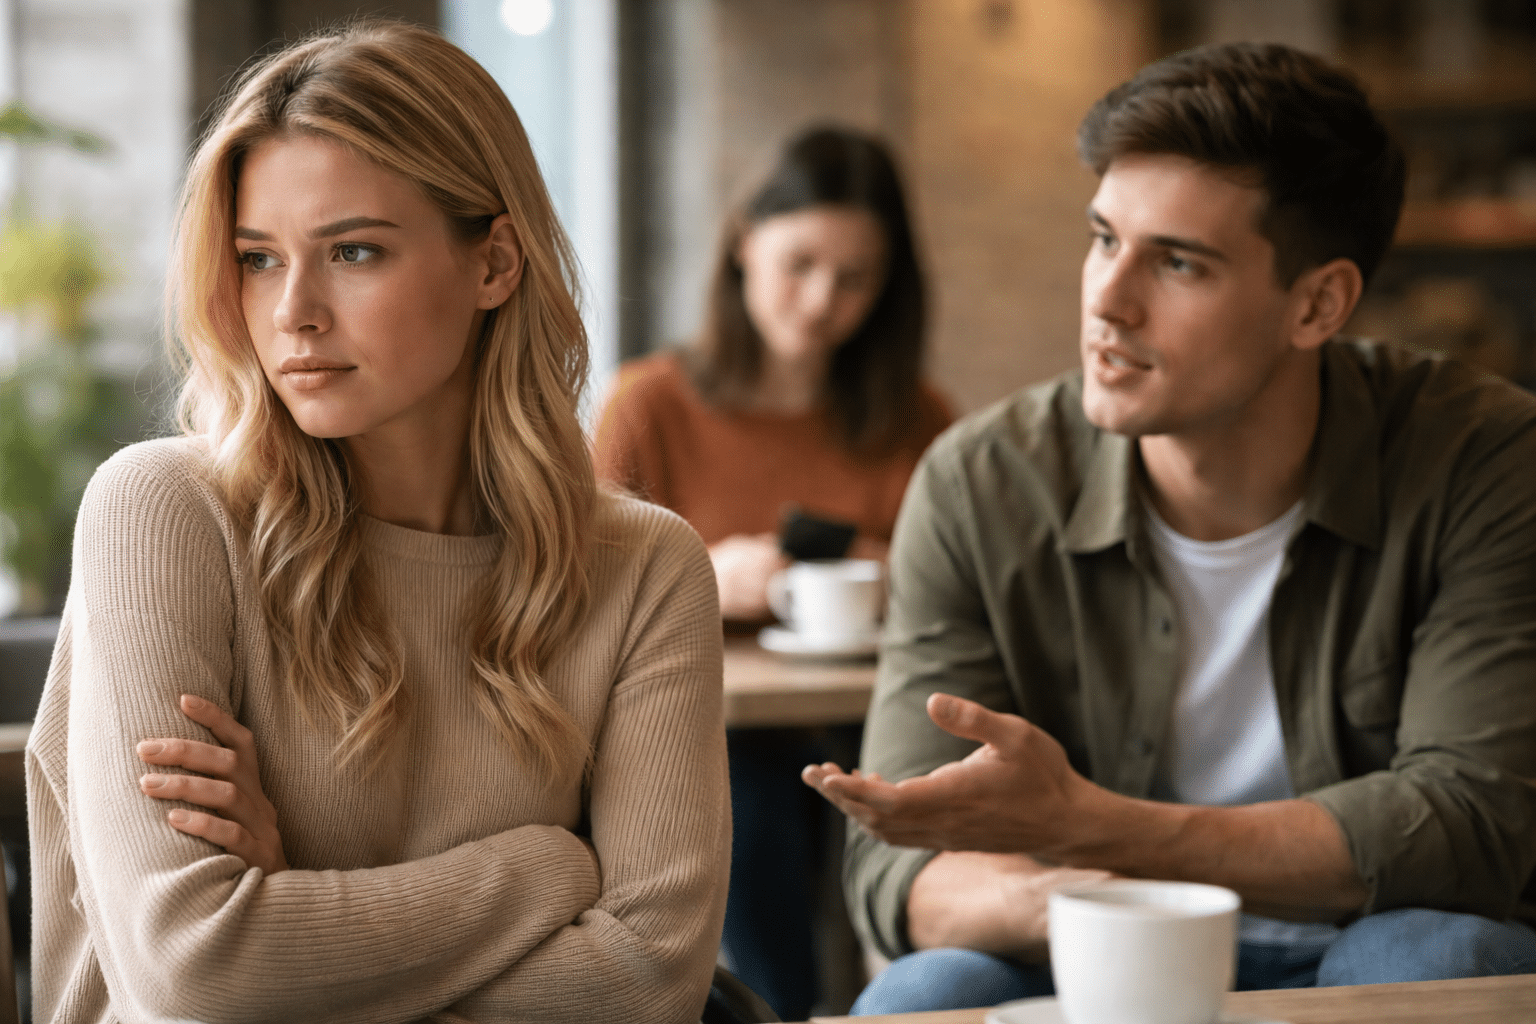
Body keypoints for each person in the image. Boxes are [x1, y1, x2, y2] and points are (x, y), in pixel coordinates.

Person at [803, 42, 1536, 1014]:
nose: (1108, 300)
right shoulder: (983, 481)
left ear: (1318, 303)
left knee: (1439, 955)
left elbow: (1475, 822)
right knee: (929, 994)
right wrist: (1093, 894)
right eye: (1104, 238)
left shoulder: (1483, 459)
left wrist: (1090, 824)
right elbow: (902, 867)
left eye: (1179, 262)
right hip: (1089, 930)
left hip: (1363, 933)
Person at [26, 22, 729, 1024]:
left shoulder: (647, 568)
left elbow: (651, 984)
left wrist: (295, 925)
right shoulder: (164, 512)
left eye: (354, 251)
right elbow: (197, 970)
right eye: (258, 259)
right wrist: (546, 866)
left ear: (495, 264)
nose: (293, 312)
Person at [594, 126, 951, 1019]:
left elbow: (963, 591)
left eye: (855, 277)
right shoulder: (650, 406)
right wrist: (695, 576)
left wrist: (891, 573)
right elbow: (577, 599)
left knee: (917, 800)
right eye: (800, 264)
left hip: (877, 718)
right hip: (716, 726)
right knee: (745, 801)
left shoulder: (918, 419)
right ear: (743, 243)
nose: (822, 300)